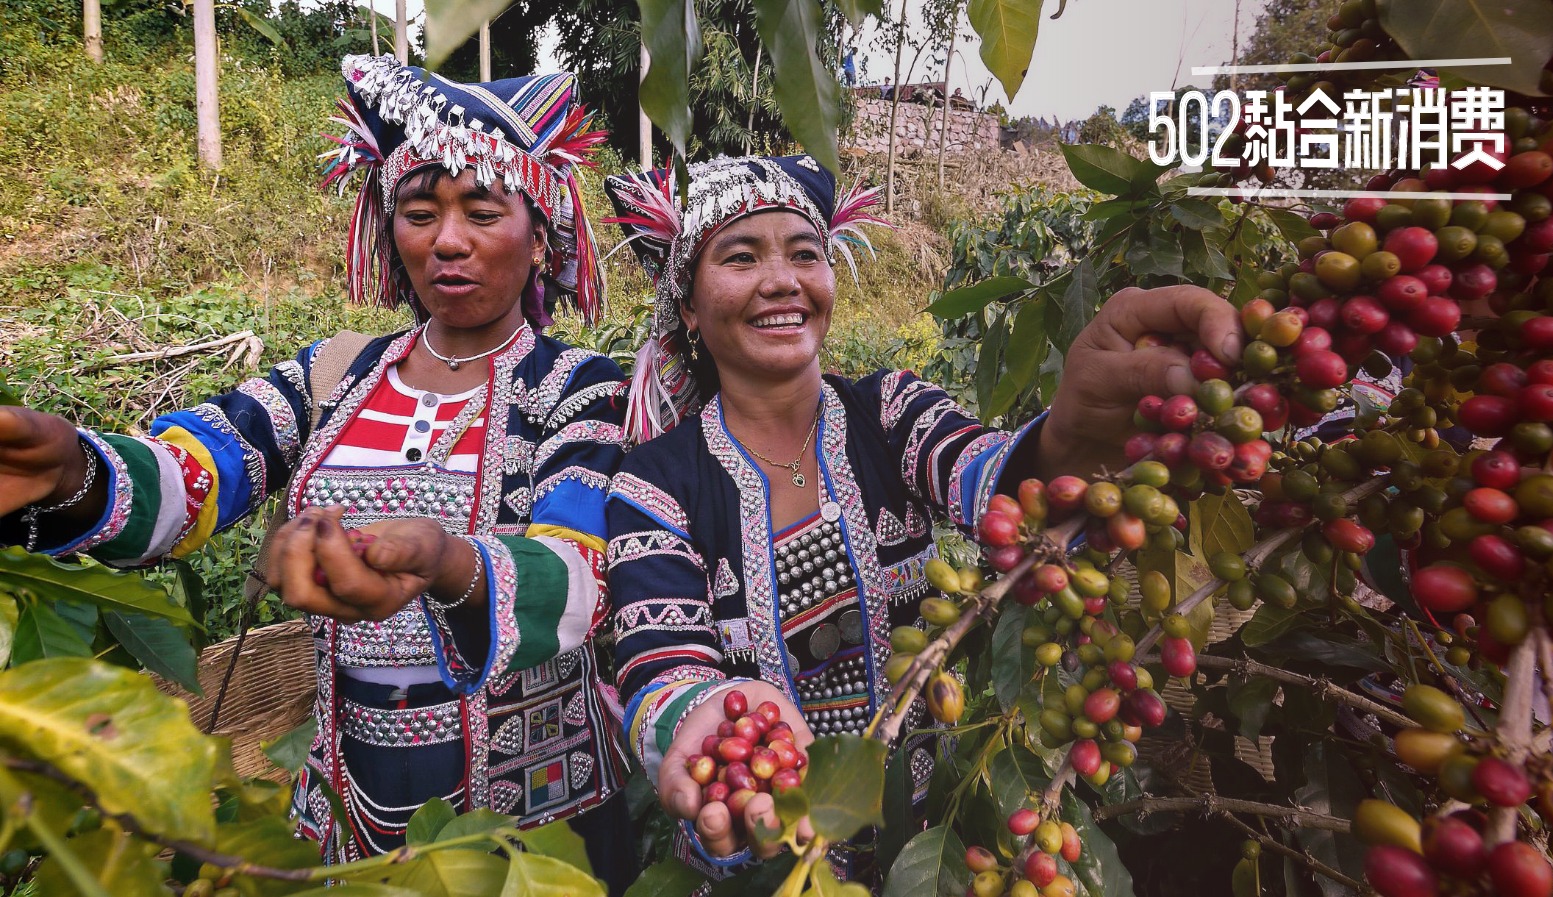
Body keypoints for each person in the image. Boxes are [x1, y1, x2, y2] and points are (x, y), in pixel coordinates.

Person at [0, 54, 637, 887]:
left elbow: (577, 568)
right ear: (390, 228)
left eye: (482, 210)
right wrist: (72, 470)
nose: (447, 239)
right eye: (419, 211)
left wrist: (449, 564)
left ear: (540, 229)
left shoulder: (580, 388)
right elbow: (197, 471)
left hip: (542, 825)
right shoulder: (334, 375)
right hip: (344, 814)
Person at [600, 154, 1243, 882]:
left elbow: (993, 482)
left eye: (805, 253)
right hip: (760, 867)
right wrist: (706, 710)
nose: (781, 279)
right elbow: (662, 660)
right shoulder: (653, 484)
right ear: (687, 303)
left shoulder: (892, 413)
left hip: (930, 846)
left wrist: (1064, 445)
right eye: (741, 257)